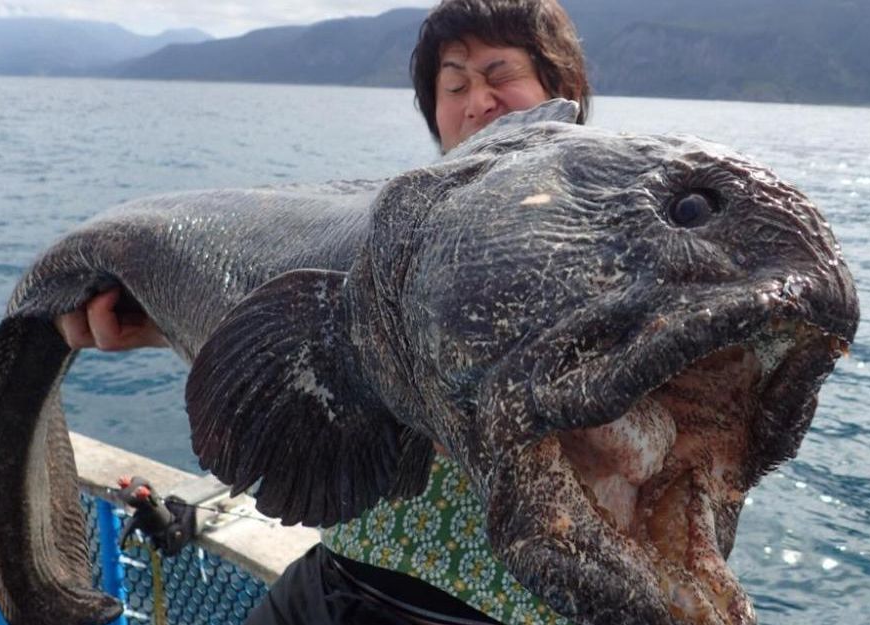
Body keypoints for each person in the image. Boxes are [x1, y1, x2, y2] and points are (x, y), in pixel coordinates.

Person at [57, 1, 590, 622]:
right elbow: (334, 359)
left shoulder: (613, 238)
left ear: (563, 89)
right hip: (334, 577)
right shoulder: (393, 240)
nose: (477, 102)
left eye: (501, 75)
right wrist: (163, 322)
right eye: (454, 86)